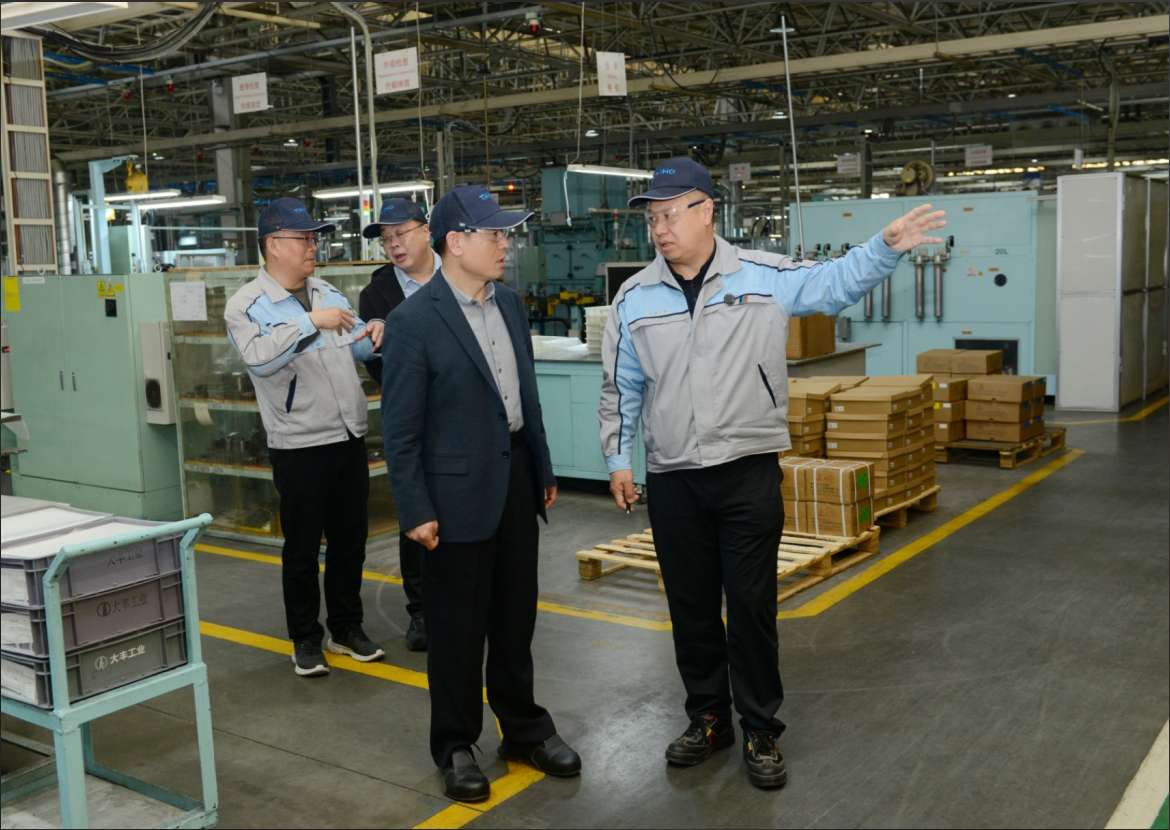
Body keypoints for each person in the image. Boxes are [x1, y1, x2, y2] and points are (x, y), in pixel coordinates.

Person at [599, 158, 945, 789]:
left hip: (747, 474)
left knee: (751, 606)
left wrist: (884, 247)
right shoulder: (634, 298)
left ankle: (760, 726)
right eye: (652, 219)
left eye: (670, 214)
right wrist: (619, 460)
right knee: (690, 607)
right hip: (674, 477)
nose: (660, 229)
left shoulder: (762, 276)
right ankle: (708, 718)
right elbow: (620, 387)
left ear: (706, 210)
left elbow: (832, 285)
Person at [381, 184, 581, 802]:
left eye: (505, 233)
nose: (504, 244)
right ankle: (455, 743)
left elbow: (524, 396)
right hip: (453, 497)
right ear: (456, 242)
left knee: (516, 619)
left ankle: (522, 728)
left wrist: (541, 468)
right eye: (494, 233)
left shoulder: (511, 306)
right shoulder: (413, 321)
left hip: (515, 480)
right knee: (457, 631)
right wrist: (414, 508)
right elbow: (400, 430)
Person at [225, 197, 387, 677]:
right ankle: (305, 638)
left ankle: (346, 628)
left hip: (347, 435)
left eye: (315, 239)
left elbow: (353, 346)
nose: (313, 247)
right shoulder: (246, 305)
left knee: (349, 542)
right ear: (274, 245)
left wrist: (374, 331)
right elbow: (259, 359)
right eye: (304, 239)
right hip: (298, 444)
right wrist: (309, 322)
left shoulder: (328, 292)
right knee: (301, 549)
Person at [357, 198, 440, 652]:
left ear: (426, 231)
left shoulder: (459, 273)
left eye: (400, 233)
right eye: (386, 239)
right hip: (413, 417)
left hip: (465, 416)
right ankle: (422, 611)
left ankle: (472, 603)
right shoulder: (378, 293)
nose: (393, 244)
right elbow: (375, 363)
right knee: (416, 509)